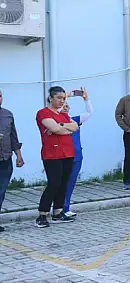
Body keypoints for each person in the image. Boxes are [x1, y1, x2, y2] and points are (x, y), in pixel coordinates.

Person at [35, 86, 78, 228]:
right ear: (50, 98)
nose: (61, 101)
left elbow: (75, 126)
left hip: (67, 152)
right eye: (59, 98)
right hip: (51, 154)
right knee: (54, 183)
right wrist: (62, 128)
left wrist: (60, 125)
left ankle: (58, 212)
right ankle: (42, 214)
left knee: (63, 183)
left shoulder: (63, 115)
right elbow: (55, 129)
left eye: (64, 98)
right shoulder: (43, 113)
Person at [62, 88, 93, 217]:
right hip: (63, 156)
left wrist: (86, 99)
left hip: (77, 156)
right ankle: (57, 208)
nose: (65, 107)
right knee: (61, 182)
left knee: (71, 182)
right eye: (63, 105)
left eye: (67, 106)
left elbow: (89, 113)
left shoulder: (74, 120)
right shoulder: (55, 121)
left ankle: (66, 207)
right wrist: (66, 96)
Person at [0, 88, 25, 232]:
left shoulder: (7, 115)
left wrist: (19, 156)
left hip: (5, 159)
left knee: (1, 191)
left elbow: (13, 137)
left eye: (0, 96)